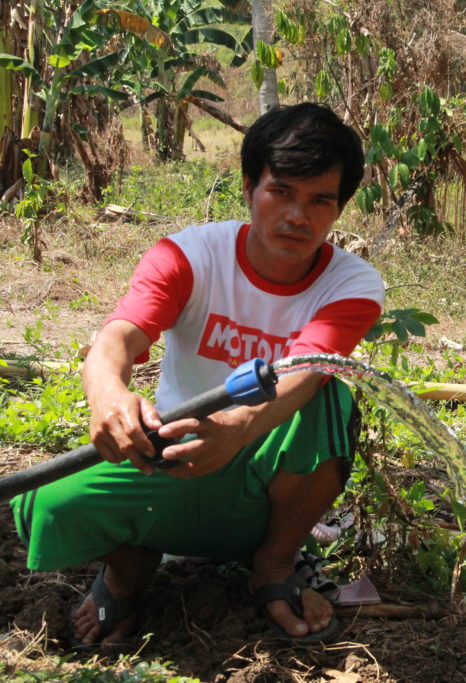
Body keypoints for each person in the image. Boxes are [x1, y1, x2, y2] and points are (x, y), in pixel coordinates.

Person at [9, 103, 384, 648]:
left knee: (330, 395)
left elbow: (306, 370)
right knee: (50, 503)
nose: (298, 217)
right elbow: (118, 337)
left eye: (319, 200)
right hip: (170, 458)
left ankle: (275, 566)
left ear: (339, 208)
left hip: (267, 490)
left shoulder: (352, 285)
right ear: (249, 187)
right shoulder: (189, 255)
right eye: (280, 192)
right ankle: (128, 574)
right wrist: (110, 394)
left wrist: (236, 429)